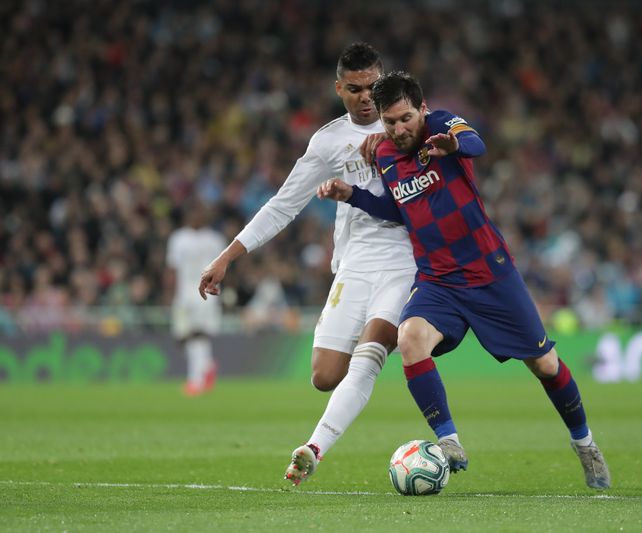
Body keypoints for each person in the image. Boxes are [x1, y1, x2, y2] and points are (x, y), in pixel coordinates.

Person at [317, 71, 611, 489]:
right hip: (437, 278)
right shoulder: (383, 154)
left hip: (489, 271)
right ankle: (449, 442)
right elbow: (402, 210)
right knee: (410, 338)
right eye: (390, 121)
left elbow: (477, 143)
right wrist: (353, 196)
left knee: (545, 364)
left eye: (405, 118)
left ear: (421, 109)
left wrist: (453, 146)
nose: (399, 129)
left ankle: (585, 444)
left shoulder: (442, 126)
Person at [197, 43, 418, 485]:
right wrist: (227, 257)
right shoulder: (328, 142)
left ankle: (313, 448)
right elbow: (283, 205)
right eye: (355, 88)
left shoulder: (407, 124)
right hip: (354, 263)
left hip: (404, 259)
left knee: (369, 356)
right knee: (324, 375)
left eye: (373, 87)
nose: (366, 97)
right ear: (339, 88)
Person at [166, 200, 227, 396]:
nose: (197, 217)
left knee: (199, 334)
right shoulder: (178, 238)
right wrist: (170, 292)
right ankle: (207, 365)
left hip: (207, 293)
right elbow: (173, 269)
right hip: (184, 293)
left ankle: (195, 381)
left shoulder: (215, 239)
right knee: (182, 336)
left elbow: (224, 268)